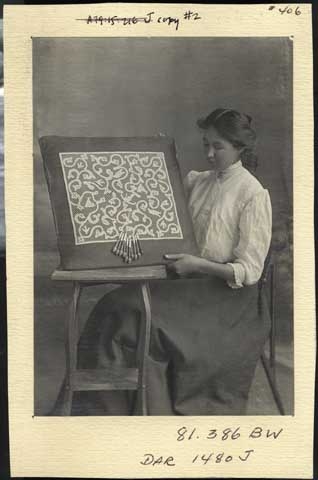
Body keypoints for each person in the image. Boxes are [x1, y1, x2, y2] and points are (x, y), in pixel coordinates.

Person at [60, 108, 272, 416]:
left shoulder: (252, 194)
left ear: (240, 147)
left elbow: (249, 270)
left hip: (225, 301)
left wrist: (197, 266)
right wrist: (154, 160)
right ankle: (106, 411)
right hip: (187, 287)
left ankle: (132, 409)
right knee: (115, 306)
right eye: (206, 145)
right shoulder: (198, 182)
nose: (209, 154)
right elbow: (161, 209)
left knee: (126, 308)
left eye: (218, 147)